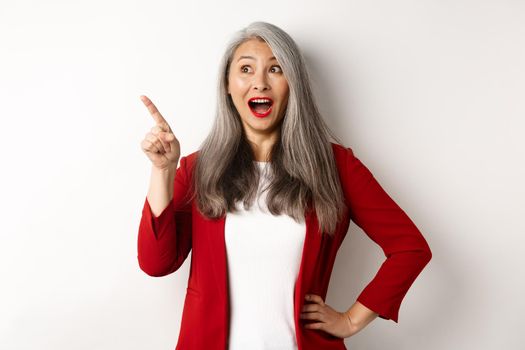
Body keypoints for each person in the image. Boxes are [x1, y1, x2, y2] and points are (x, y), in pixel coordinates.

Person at [137, 21, 432, 350]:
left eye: (275, 69)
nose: (260, 83)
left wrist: (351, 319)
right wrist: (163, 170)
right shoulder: (197, 169)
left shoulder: (336, 167)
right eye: (246, 69)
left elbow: (410, 248)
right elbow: (157, 263)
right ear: (227, 85)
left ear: (293, 83)